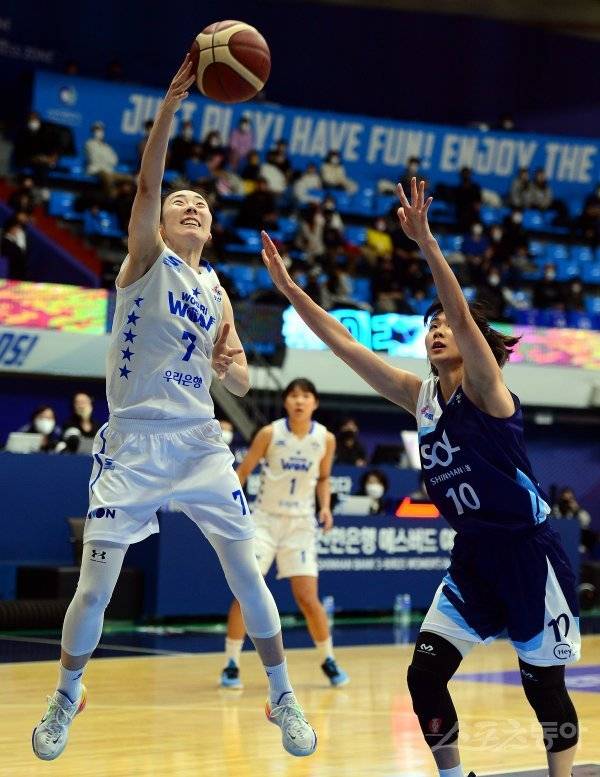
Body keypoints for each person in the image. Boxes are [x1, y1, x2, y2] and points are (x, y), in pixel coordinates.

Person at [32, 56, 317, 763]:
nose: (191, 207)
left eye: (202, 206)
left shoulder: (217, 291)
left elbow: (242, 382)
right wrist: (169, 108)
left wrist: (231, 364)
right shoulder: (145, 261)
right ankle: (67, 692)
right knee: (94, 589)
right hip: (132, 444)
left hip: (198, 443)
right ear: (159, 221)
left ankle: (282, 692)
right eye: (180, 202)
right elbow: (148, 181)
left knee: (247, 572)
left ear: (211, 231)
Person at [259, 176, 581, 777]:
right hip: (475, 557)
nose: (436, 328)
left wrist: (428, 244)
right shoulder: (421, 397)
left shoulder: (489, 391)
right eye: (428, 324)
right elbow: (345, 346)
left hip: (528, 555)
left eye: (445, 324)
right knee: (424, 674)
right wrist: (290, 289)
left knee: (544, 688)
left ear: (473, 340)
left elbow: (458, 311)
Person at [220, 378, 349, 690]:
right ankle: (232, 663)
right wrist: (227, 504)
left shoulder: (325, 438)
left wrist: (325, 507)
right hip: (264, 521)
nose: (299, 401)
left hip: (300, 524)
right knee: (247, 591)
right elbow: (243, 471)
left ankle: (329, 659)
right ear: (286, 402)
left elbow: (324, 478)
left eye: (305, 396)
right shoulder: (270, 433)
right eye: (293, 396)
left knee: (307, 597)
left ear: (315, 403)